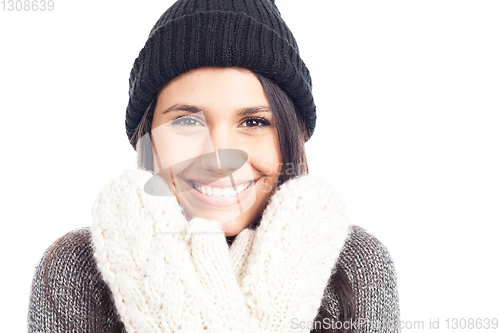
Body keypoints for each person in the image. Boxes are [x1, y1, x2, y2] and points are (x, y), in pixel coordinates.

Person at [27, 0, 401, 332]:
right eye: (187, 121)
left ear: (290, 135)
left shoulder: (354, 266)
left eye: (254, 122)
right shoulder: (75, 269)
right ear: (149, 140)